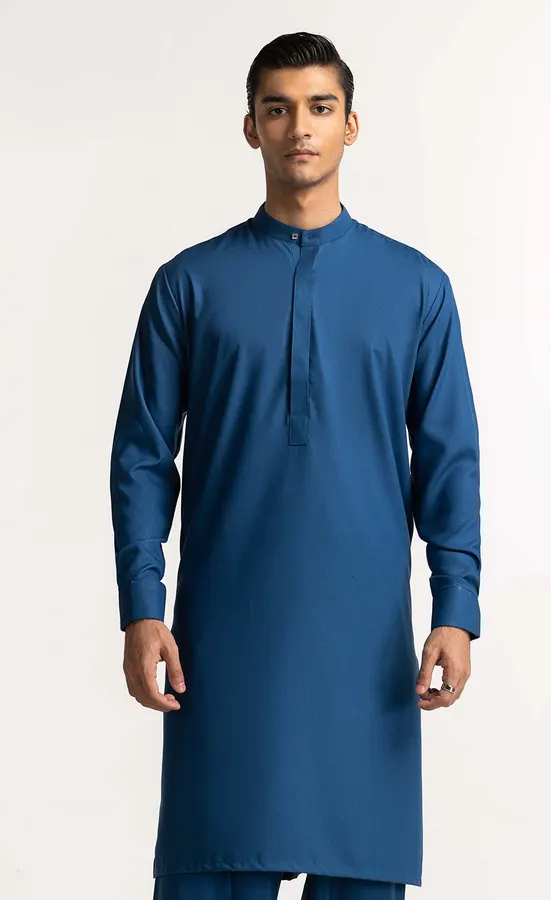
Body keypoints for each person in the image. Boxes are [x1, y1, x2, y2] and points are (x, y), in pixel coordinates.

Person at [109, 31, 482, 900]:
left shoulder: (417, 288)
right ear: (251, 127)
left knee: (360, 874)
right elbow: (141, 456)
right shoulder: (188, 284)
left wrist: (457, 610)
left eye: (320, 107)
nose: (299, 128)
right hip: (222, 644)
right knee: (211, 869)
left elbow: (449, 459)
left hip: (365, 653)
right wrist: (141, 606)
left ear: (351, 125)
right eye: (277, 109)